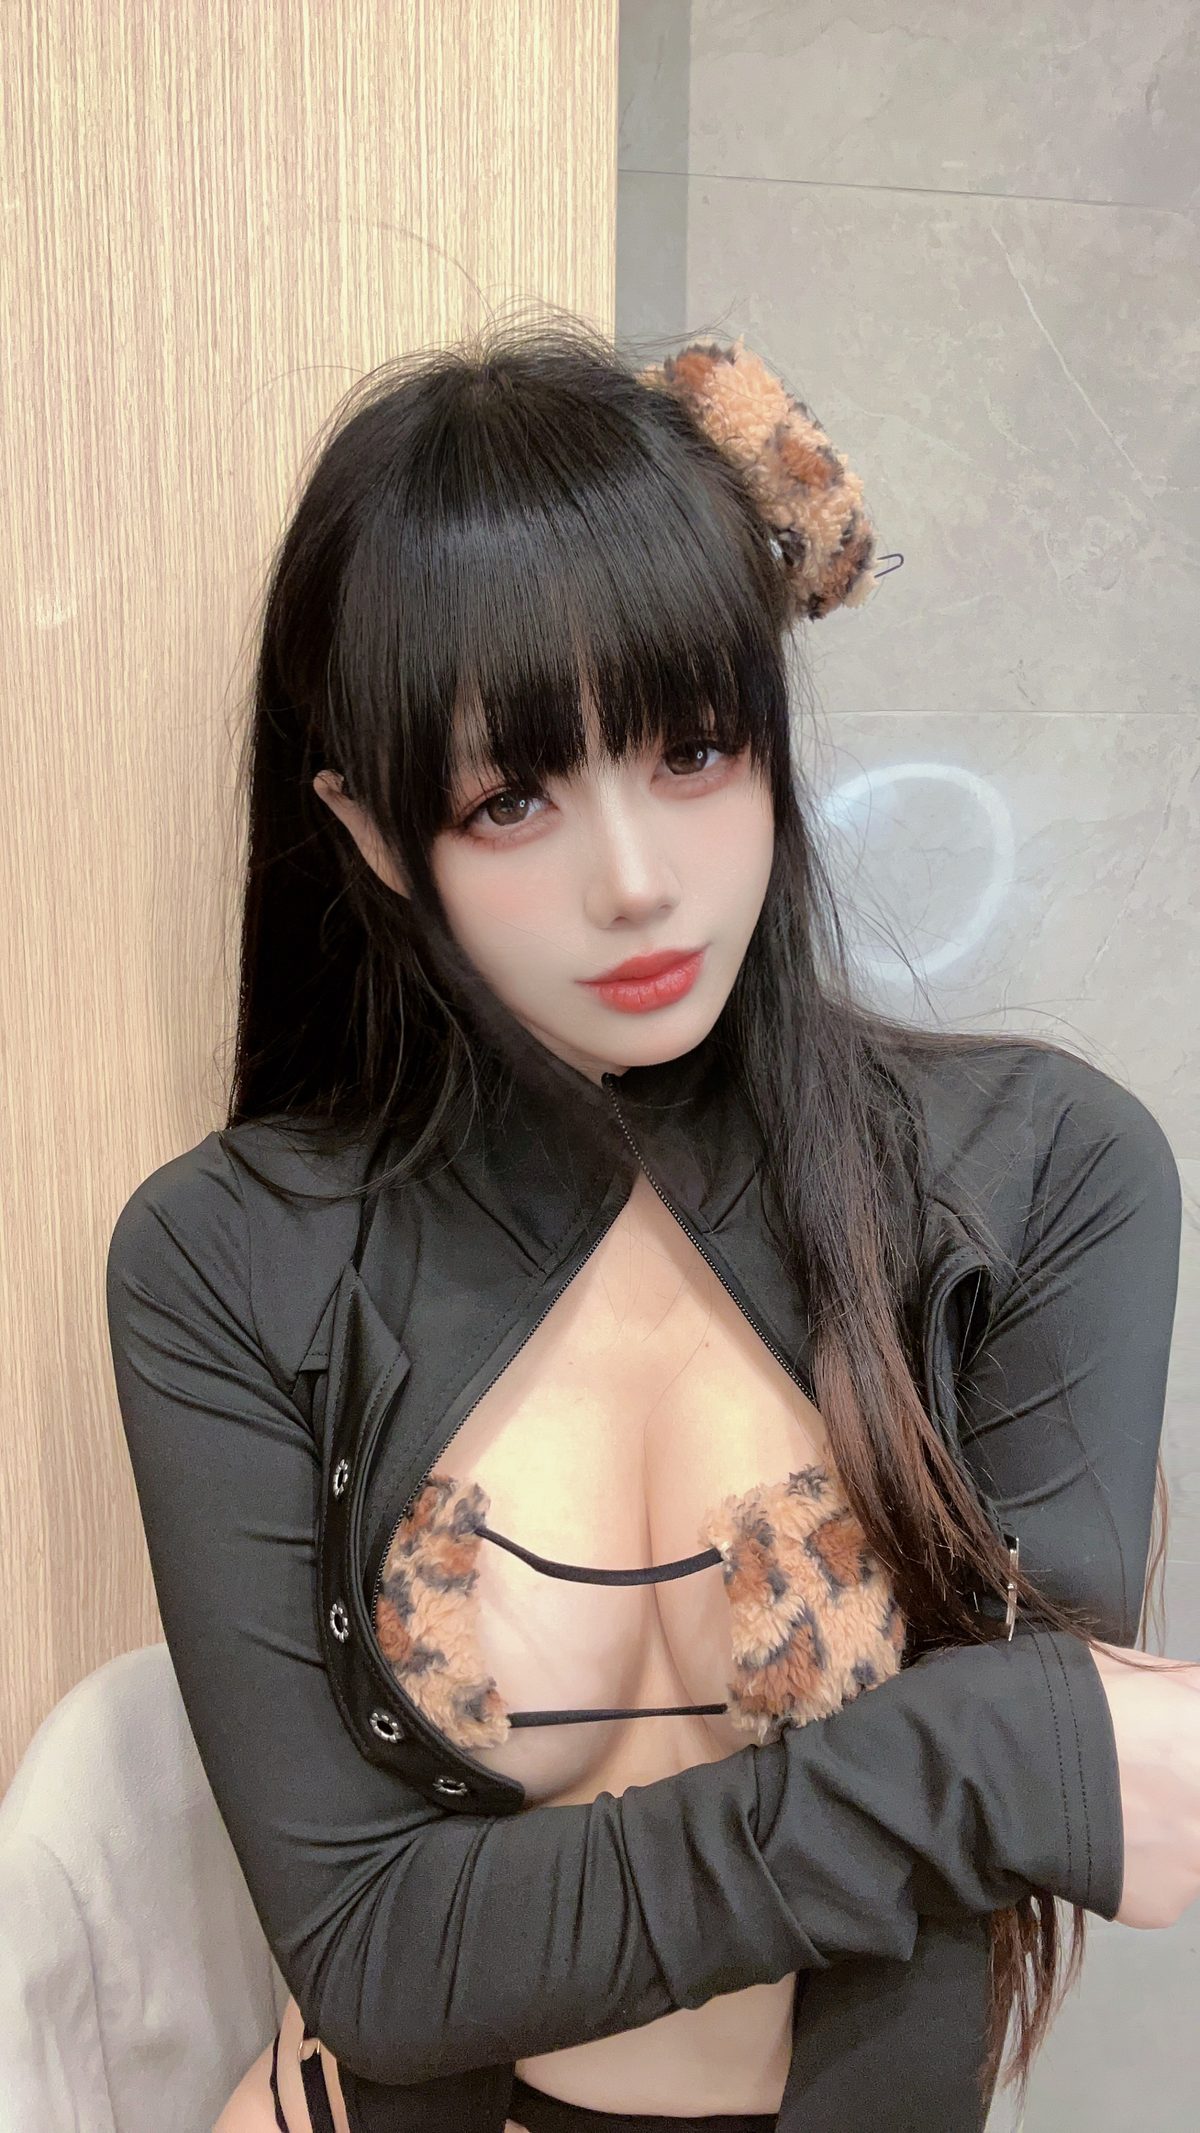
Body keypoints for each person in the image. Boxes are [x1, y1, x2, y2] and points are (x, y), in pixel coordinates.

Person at [104, 315, 1199, 2133]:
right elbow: (374, 1953)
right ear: (371, 831)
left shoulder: (1042, 1176)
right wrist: (993, 1744)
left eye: (693, 749)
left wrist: (1020, 1763)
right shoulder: (226, 1259)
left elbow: (1037, 1863)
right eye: (512, 796)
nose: (633, 882)